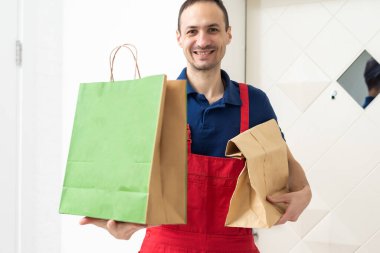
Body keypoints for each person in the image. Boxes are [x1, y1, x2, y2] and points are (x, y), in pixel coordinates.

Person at [80, 0, 312, 252]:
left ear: (228, 34)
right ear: (179, 38)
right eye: (192, 31)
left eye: (212, 29)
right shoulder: (155, 100)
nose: (202, 41)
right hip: (166, 246)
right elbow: (124, 178)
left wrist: (304, 195)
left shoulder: (253, 102)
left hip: (234, 246)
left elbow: (290, 173)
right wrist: (117, 218)